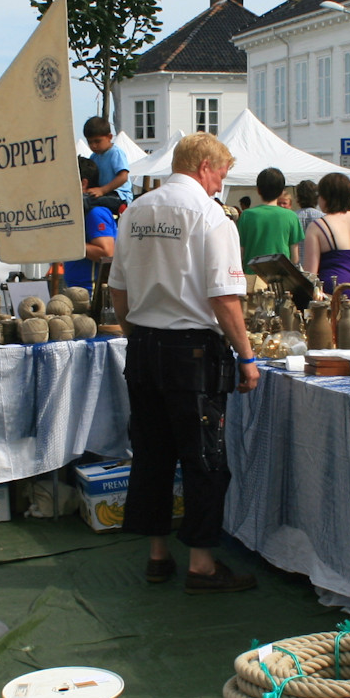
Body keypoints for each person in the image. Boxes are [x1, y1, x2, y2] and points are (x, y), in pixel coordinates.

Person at [107, 131, 259, 595]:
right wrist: (247, 356)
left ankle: (157, 554)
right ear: (204, 166)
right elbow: (224, 298)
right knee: (204, 457)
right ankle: (201, 564)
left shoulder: (137, 211)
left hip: (146, 344)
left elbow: (118, 287)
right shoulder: (210, 217)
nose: (223, 184)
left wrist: (138, 334)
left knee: (152, 453)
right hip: (192, 351)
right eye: (222, 173)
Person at [235, 168, 303, 279]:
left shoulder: (246, 215)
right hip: (281, 280)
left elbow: (240, 252)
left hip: (252, 278)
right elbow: (295, 258)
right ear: (281, 191)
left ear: (258, 190)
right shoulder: (291, 216)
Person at [64, 157, 118, 291]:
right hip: (78, 290)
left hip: (91, 294)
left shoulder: (95, 213)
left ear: (83, 183)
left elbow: (106, 253)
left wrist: (68, 242)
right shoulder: (81, 212)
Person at [82, 116, 131, 213]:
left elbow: (123, 177)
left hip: (119, 197)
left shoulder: (115, 153)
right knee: (81, 200)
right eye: (90, 142)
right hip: (103, 195)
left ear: (109, 137)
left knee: (87, 202)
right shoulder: (93, 157)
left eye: (97, 141)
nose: (93, 146)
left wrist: (102, 190)